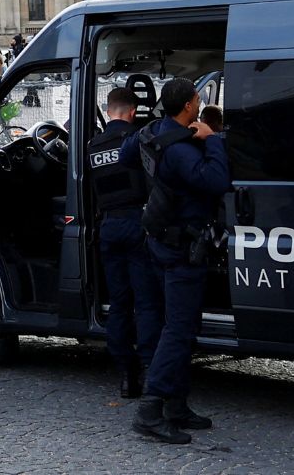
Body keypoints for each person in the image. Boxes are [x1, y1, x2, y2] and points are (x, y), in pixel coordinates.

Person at [123, 77, 232, 443]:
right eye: (198, 99)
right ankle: (151, 409)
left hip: (159, 240)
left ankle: (176, 405)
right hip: (182, 247)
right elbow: (216, 180)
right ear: (188, 106)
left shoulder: (152, 133)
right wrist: (213, 141)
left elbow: (126, 156)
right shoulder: (183, 147)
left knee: (178, 325)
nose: (200, 104)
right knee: (179, 329)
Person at [86, 87, 158, 399]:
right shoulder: (137, 139)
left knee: (119, 303)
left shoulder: (93, 145)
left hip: (108, 226)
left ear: (108, 107)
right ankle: (149, 367)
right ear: (132, 111)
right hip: (135, 223)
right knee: (145, 302)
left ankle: (126, 374)